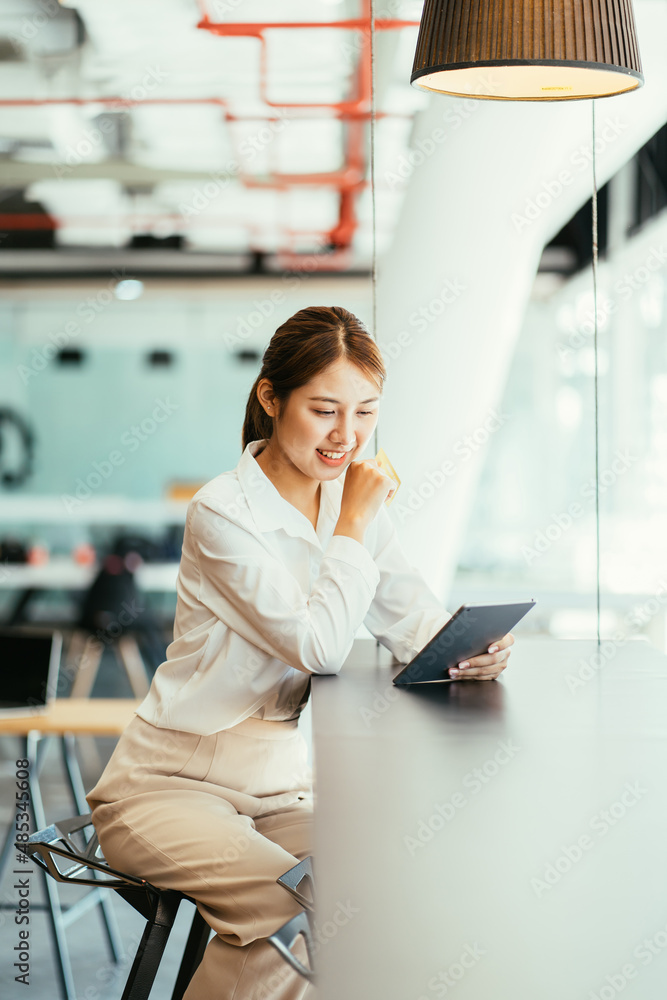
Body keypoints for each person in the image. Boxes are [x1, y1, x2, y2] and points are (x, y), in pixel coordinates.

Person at [86, 305, 514, 1000]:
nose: (346, 436)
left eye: (365, 413)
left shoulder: (352, 508)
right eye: (324, 410)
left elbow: (412, 624)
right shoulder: (223, 511)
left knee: (380, 888)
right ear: (270, 398)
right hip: (165, 788)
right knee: (290, 907)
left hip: (278, 788)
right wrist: (350, 522)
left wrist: (474, 649)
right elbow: (315, 644)